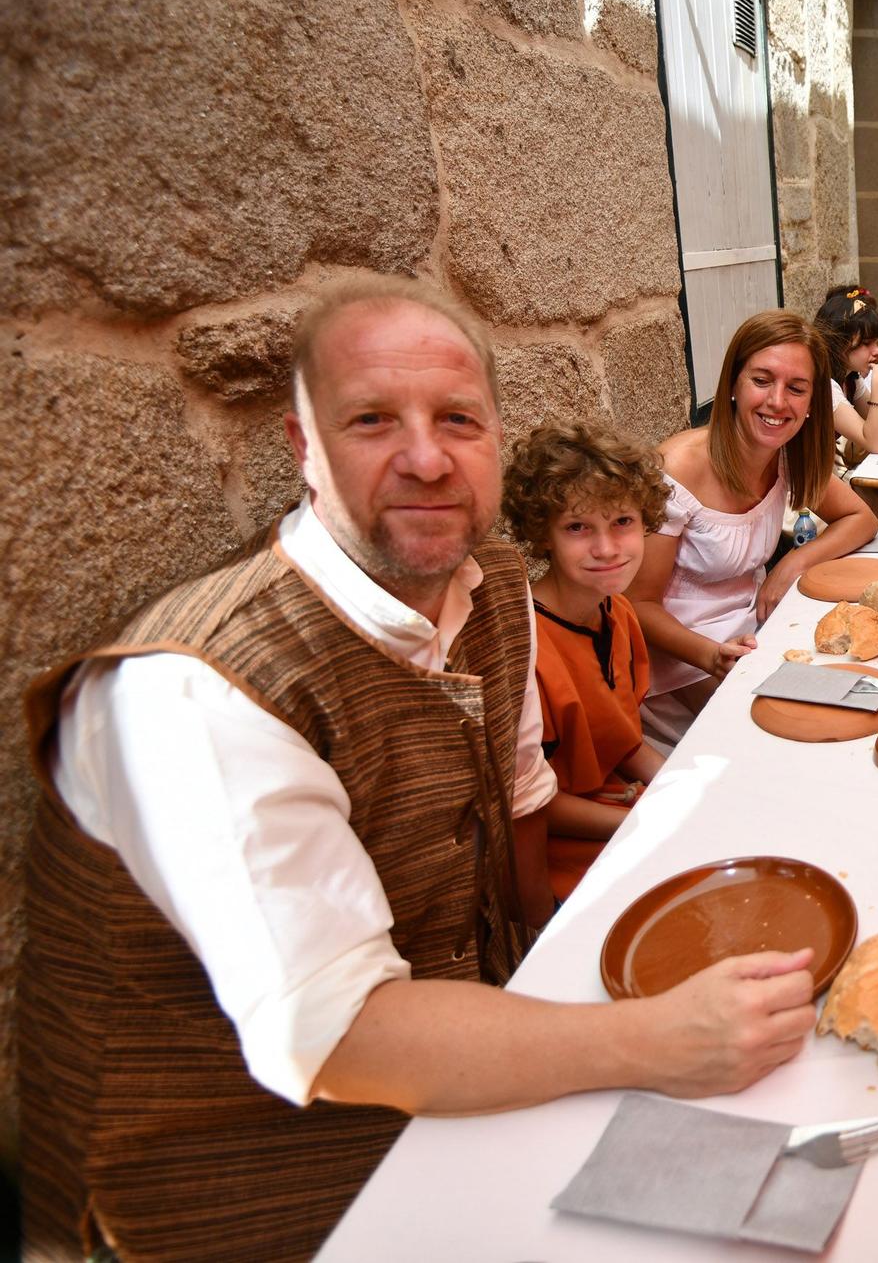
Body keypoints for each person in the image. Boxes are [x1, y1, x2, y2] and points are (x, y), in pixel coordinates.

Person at [21, 277, 822, 1259]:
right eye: (370, 420)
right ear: (301, 445)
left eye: (458, 419)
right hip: (234, 1182)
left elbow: (520, 805)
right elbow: (340, 1033)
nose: (426, 456)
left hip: (455, 1081)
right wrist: (657, 1038)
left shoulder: (486, 597)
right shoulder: (194, 693)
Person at [628, 309, 878, 745]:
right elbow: (636, 604)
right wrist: (710, 655)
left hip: (756, 641)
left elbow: (862, 519)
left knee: (863, 696)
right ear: (732, 385)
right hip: (679, 663)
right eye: (761, 381)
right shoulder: (678, 468)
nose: (777, 402)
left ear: (811, 404)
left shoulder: (787, 455)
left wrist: (792, 564)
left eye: (796, 388)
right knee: (797, 737)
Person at [501, 420, 671, 911]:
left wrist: (675, 788)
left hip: (619, 806)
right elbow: (533, 805)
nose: (606, 548)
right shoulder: (528, 647)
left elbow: (624, 740)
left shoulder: (616, 612)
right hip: (558, 849)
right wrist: (645, 820)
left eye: (623, 522)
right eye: (578, 527)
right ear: (543, 535)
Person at [812, 284, 878, 460]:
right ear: (838, 341)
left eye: (876, 342)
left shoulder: (851, 378)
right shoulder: (824, 384)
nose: (877, 351)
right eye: (866, 343)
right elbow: (874, 443)